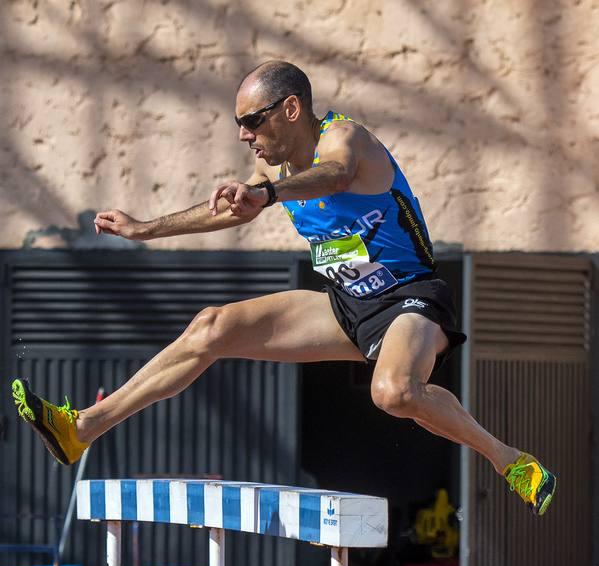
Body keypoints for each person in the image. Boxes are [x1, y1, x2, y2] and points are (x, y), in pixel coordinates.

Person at [12, 60, 556, 516]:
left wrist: (269, 194)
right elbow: (223, 213)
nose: (245, 136)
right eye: (239, 126)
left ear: (290, 109)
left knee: (393, 393)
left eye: (252, 121)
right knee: (211, 326)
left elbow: (337, 175)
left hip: (410, 299)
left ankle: (507, 458)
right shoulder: (272, 170)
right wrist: (143, 229)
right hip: (348, 307)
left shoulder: (345, 138)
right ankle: (81, 428)